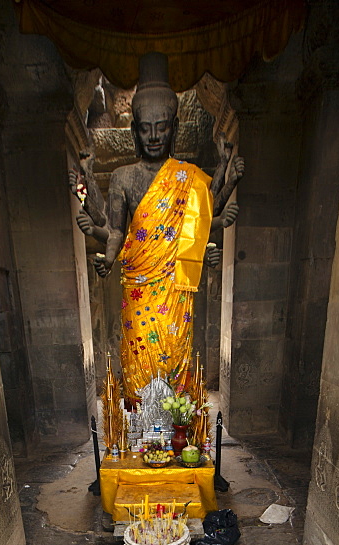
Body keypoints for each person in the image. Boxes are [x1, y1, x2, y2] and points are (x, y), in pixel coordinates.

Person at [77, 52, 243, 405]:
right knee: (139, 356)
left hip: (175, 289)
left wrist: (226, 180)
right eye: (145, 127)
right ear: (135, 129)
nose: (153, 136)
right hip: (139, 286)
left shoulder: (187, 176)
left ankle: (178, 424)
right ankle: (140, 429)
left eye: (162, 126)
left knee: (175, 352)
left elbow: (198, 219)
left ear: (175, 128)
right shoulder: (123, 177)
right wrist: (108, 255)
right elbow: (118, 231)